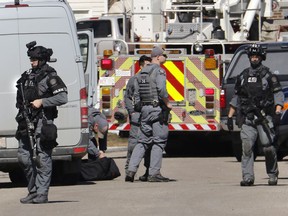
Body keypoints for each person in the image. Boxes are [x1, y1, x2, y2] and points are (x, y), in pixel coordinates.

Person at [15, 41, 68, 203]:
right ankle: (33, 190)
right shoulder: (27, 76)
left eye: (34, 59)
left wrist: (42, 102)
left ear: (42, 59)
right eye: (30, 59)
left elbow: (63, 97)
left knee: (42, 158)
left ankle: (42, 193)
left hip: (43, 122)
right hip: (26, 120)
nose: (31, 62)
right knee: (24, 157)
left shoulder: (50, 76)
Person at [227, 43, 284, 186]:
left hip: (264, 117)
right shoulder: (243, 76)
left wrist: (277, 111)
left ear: (261, 57)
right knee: (246, 148)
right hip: (247, 118)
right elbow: (236, 98)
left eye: (256, 56)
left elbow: (278, 94)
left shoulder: (269, 76)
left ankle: (272, 174)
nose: (254, 58)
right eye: (252, 56)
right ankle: (248, 177)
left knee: (268, 147)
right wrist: (229, 116)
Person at [125, 46, 172, 182]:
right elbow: (161, 89)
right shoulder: (159, 71)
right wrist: (167, 103)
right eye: (164, 55)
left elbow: (136, 94)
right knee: (159, 141)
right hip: (156, 109)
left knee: (142, 141)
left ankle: (130, 172)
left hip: (144, 111)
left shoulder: (141, 73)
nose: (165, 58)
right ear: (158, 56)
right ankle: (154, 173)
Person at [124, 55, 152, 181]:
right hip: (137, 118)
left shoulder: (153, 79)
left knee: (149, 146)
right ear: (140, 66)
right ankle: (129, 172)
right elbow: (128, 97)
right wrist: (132, 112)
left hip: (149, 118)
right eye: (146, 65)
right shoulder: (134, 80)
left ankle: (148, 172)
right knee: (133, 145)